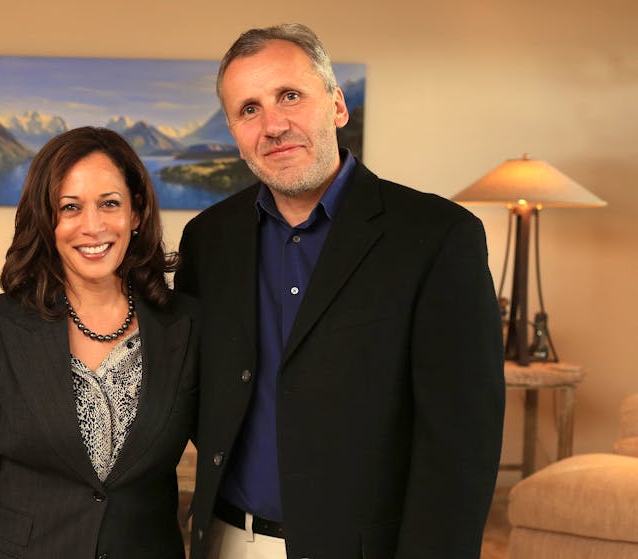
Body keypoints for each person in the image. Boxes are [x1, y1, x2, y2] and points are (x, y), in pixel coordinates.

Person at [174, 23, 505, 559]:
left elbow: (461, 445)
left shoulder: (438, 237)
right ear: (234, 132)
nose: (273, 125)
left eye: (290, 96)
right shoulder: (207, 239)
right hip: (225, 540)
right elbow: (193, 391)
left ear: (337, 105)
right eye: (249, 109)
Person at [0, 126, 200, 558]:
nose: (92, 226)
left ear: (136, 212)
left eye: (109, 203)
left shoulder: (187, 323)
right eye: (70, 207)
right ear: (46, 218)